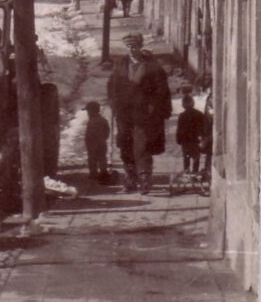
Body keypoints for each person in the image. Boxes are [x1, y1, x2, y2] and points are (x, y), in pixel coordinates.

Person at [107, 33, 172, 193]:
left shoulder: (152, 66)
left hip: (144, 114)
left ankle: (145, 181)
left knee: (142, 146)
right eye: (128, 46)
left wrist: (153, 108)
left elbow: (161, 89)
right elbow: (112, 85)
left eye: (134, 46)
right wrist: (113, 102)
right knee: (125, 144)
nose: (131, 49)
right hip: (124, 113)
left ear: (140, 46)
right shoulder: (121, 64)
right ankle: (129, 180)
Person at [176, 94, 206, 173]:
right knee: (196, 157)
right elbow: (203, 127)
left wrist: (178, 139)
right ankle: (195, 172)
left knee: (186, 157)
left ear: (183, 105)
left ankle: (187, 171)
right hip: (195, 140)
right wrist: (202, 137)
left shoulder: (182, 116)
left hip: (185, 140)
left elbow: (179, 129)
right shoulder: (199, 114)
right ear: (193, 103)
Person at [84, 101, 111, 183]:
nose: (87, 113)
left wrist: (87, 142)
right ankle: (103, 172)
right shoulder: (103, 120)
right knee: (102, 158)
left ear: (91, 111)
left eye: (88, 111)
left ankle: (93, 174)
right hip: (102, 142)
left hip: (93, 143)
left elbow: (89, 134)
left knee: (92, 158)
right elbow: (107, 131)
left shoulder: (91, 121)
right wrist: (104, 138)